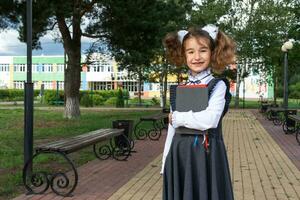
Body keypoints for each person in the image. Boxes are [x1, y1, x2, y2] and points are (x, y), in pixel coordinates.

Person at [161, 24, 236, 200]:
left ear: (213, 53)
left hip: (206, 155)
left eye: (203, 50)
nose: (196, 57)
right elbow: (172, 130)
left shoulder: (218, 85)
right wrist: (165, 161)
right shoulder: (179, 88)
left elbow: (210, 120)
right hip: (179, 155)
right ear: (183, 54)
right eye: (190, 52)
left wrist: (178, 117)